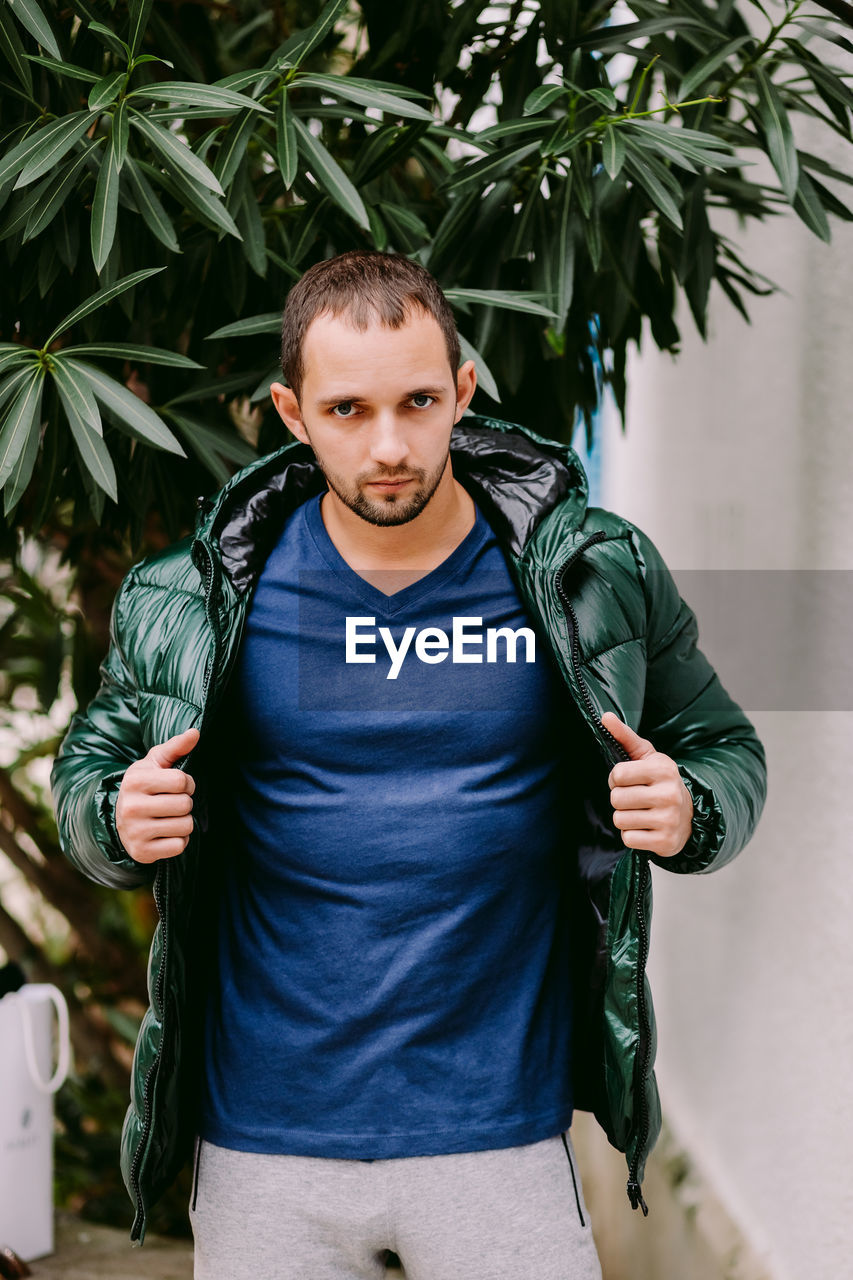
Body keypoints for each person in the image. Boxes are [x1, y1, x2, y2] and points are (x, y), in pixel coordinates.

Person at [50, 250, 767, 1279]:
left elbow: (722, 746)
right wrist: (114, 814)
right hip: (264, 1138)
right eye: (347, 410)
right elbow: (93, 764)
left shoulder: (588, 573)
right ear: (291, 414)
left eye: (417, 401)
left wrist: (689, 804)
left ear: (462, 393)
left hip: (499, 1133)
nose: (388, 445)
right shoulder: (195, 593)